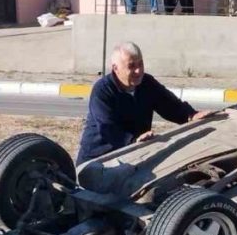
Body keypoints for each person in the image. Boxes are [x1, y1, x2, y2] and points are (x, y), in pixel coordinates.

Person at [76, 42, 212, 163]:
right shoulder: (102, 90)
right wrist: (133, 141)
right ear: (115, 68)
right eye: (131, 66)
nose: (138, 71)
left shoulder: (147, 83)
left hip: (134, 155)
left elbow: (169, 105)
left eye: (141, 64)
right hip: (98, 161)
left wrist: (191, 116)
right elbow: (108, 128)